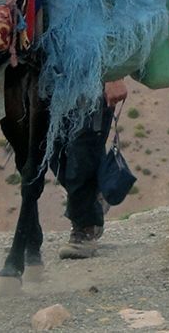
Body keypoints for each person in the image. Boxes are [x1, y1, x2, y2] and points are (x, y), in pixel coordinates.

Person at [53, 77, 128, 259]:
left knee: (84, 151)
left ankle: (84, 231)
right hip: (56, 77)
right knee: (53, 153)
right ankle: (95, 196)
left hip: (95, 79)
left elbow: (111, 46)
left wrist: (114, 76)